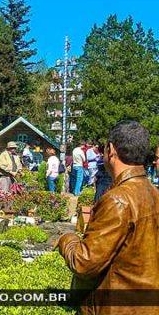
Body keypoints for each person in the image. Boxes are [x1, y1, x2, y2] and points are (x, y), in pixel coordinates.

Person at [56, 121, 159, 315]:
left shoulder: (118, 199)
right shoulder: (153, 192)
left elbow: (84, 262)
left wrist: (66, 239)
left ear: (110, 150)